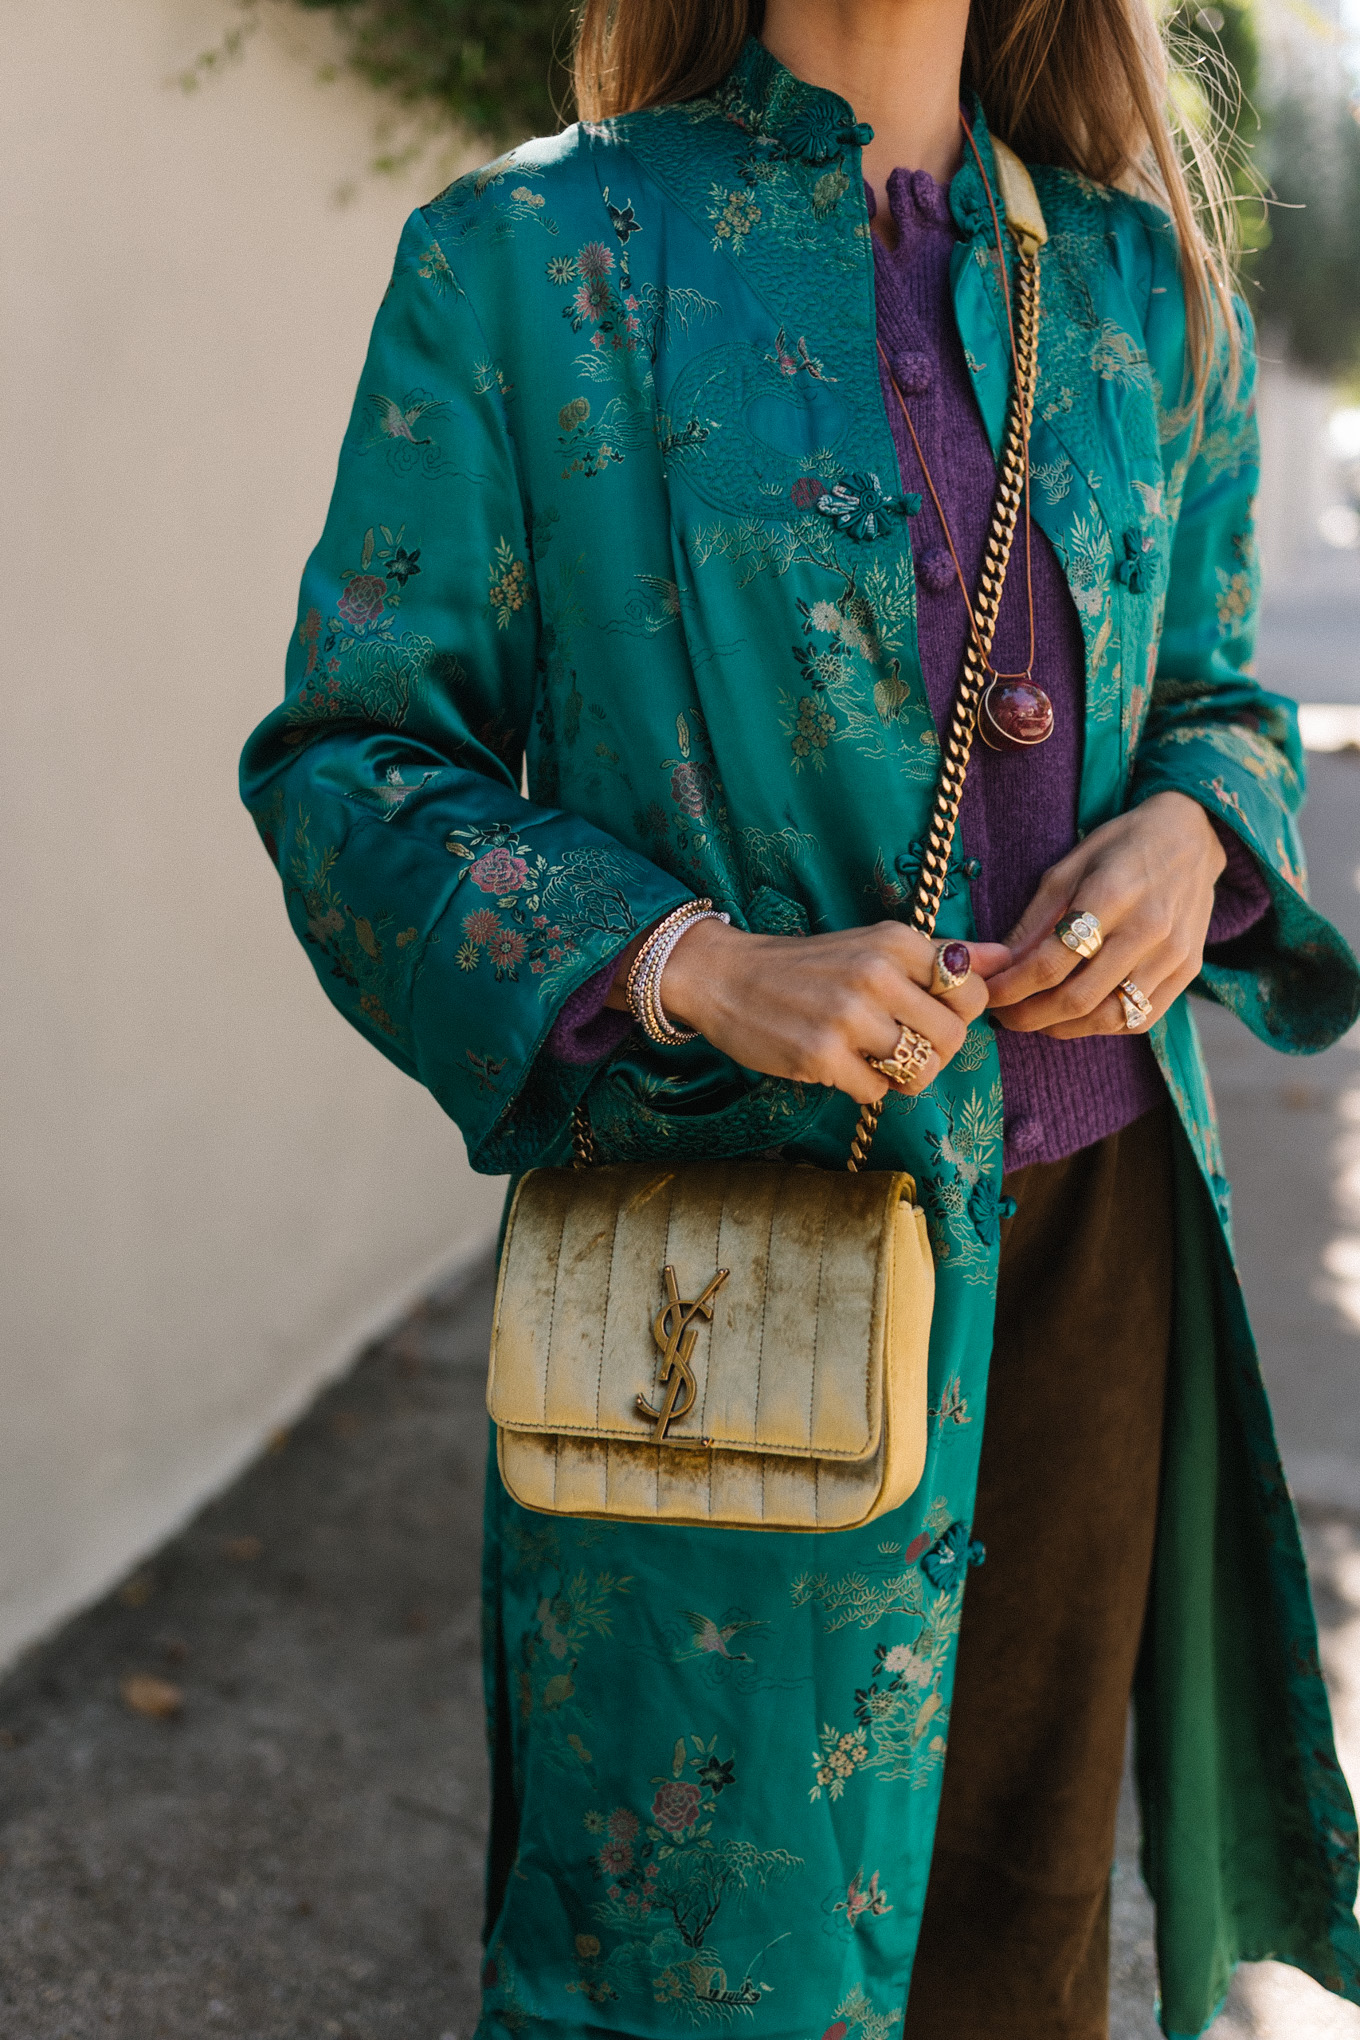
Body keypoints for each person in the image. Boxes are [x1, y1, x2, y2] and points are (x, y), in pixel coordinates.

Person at [240, 1, 1360, 2033]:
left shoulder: (1137, 287)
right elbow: (349, 766)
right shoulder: (527, 262)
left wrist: (1197, 830)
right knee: (690, 1955)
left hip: (1093, 1250)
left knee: (1015, 1938)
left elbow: (1216, 688)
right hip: (722, 1258)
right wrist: (688, 964)